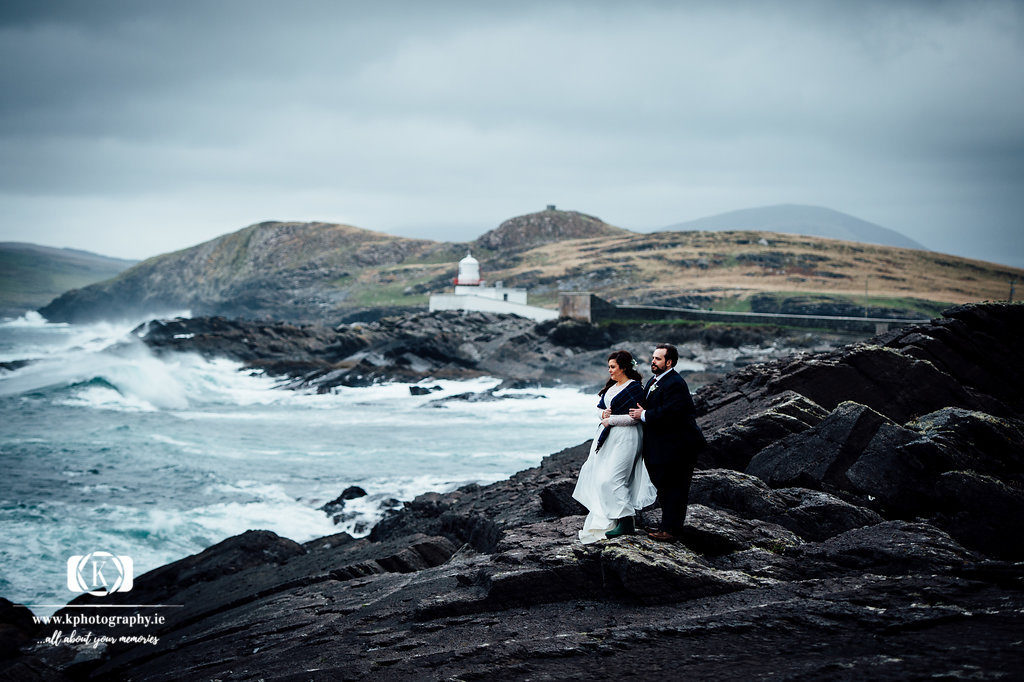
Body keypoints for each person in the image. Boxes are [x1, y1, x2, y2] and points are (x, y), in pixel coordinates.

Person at [572, 350, 657, 544]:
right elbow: (600, 408)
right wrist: (603, 416)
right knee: (602, 479)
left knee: (614, 479)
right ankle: (614, 519)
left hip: (627, 437)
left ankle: (626, 521)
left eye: (612, 367)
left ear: (624, 367)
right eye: (609, 367)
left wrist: (611, 419)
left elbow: (634, 417)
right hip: (609, 436)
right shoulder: (612, 387)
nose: (609, 370)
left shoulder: (634, 388)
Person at [628, 343, 706, 542]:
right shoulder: (656, 380)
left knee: (675, 490)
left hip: (679, 447)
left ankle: (671, 531)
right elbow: (651, 405)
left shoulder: (675, 383)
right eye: (653, 358)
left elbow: (672, 413)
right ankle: (666, 526)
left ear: (669, 362)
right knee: (664, 487)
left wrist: (644, 414)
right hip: (663, 447)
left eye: (658, 359)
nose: (653, 362)